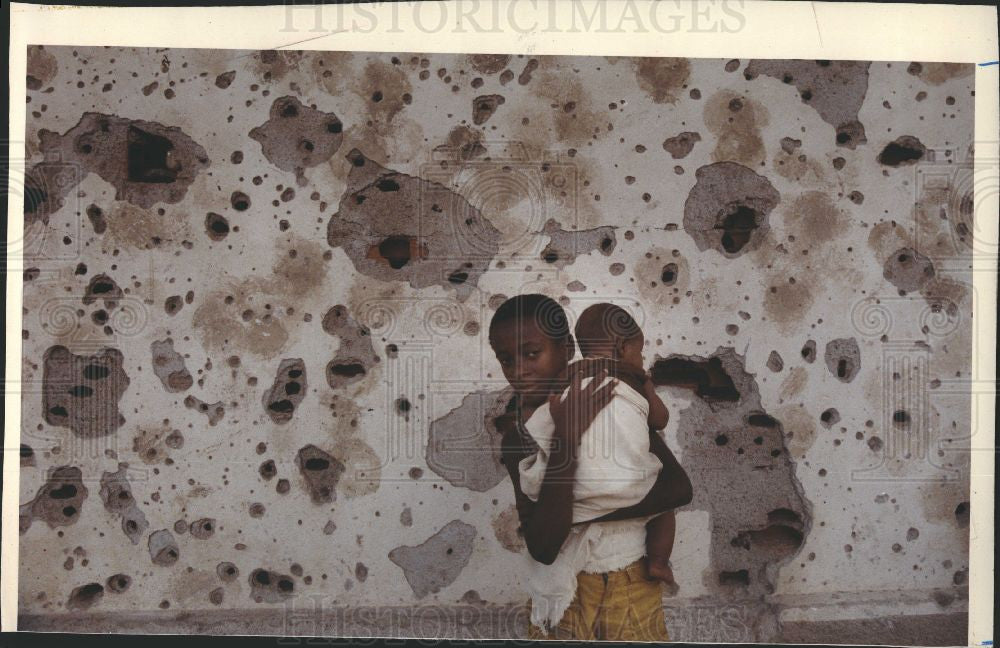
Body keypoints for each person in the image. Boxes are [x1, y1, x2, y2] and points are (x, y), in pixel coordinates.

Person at [488, 294, 692, 640]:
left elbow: (677, 489)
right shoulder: (519, 438)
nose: (518, 371)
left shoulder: (611, 402)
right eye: (506, 360)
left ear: (567, 348)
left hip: (633, 584)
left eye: (532, 353)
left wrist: (569, 508)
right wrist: (566, 438)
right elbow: (543, 544)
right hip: (563, 597)